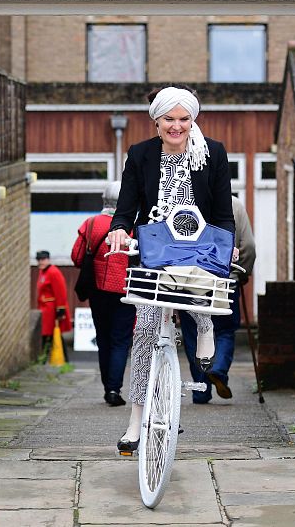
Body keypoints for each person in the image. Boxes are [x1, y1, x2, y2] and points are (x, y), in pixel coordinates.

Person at [107, 86, 235, 453]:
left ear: (193, 120)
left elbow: (223, 214)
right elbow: (126, 205)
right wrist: (118, 229)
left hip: (199, 243)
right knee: (145, 330)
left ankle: (205, 325)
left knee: (202, 293)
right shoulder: (140, 154)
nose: (176, 127)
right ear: (157, 121)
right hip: (154, 248)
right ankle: (136, 420)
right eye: (169, 120)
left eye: (184, 119)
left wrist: (228, 245)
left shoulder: (213, 153)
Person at [179, 195, 255, 403]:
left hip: (191, 281)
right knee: (224, 330)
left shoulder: (185, 201)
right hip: (225, 280)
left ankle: (201, 389)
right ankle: (219, 369)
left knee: (193, 332)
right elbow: (248, 246)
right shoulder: (236, 205)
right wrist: (243, 273)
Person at [71, 181, 136, 407]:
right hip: (126, 291)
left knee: (104, 338)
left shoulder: (90, 224)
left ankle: (107, 385)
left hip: (97, 291)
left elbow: (77, 257)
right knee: (120, 341)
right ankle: (113, 389)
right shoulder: (133, 227)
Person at [35, 250, 72, 355]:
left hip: (51, 309)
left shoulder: (53, 272)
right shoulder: (43, 271)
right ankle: (54, 357)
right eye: (38, 260)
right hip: (44, 307)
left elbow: (61, 291)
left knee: (50, 333)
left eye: (43, 259)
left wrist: (61, 309)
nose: (40, 262)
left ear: (48, 259)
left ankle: (49, 357)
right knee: (49, 334)